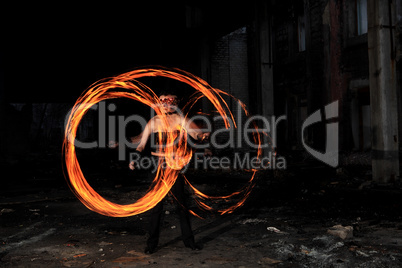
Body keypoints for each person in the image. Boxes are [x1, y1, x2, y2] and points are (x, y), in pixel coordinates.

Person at [129, 90, 210, 254]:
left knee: (182, 205)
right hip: (158, 168)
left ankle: (189, 242)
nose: (166, 105)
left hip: (175, 167)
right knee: (156, 207)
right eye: (163, 101)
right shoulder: (154, 122)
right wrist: (134, 158)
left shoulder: (180, 119)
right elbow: (141, 144)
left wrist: (203, 137)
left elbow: (195, 133)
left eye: (170, 101)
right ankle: (151, 245)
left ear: (176, 103)